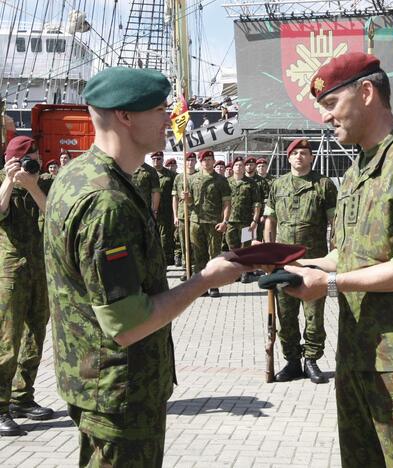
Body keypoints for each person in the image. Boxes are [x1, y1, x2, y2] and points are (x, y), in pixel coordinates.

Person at [43, 67, 249, 466]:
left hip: (96, 383)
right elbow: (128, 323)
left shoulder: (76, 176)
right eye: (160, 109)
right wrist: (206, 279)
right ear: (125, 116)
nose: (169, 119)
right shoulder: (107, 202)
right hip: (120, 392)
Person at [283, 52, 393, 466]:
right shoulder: (356, 171)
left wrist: (328, 284)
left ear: (365, 93)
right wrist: (303, 267)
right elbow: (355, 253)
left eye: (330, 104)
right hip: (357, 357)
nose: (325, 118)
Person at [264, 138, 337, 384]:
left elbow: (334, 223)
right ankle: (292, 361)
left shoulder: (324, 185)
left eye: (304, 153)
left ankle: (312, 360)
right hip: (284, 261)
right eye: (295, 153)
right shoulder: (278, 185)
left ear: (311, 157)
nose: (299, 157)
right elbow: (270, 220)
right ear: (288, 157)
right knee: (286, 314)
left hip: (314, 260)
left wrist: (334, 255)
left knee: (314, 313)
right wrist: (268, 252)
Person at [0, 136, 55, 436]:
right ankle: (0, 406)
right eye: (26, 157)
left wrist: (32, 184)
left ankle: (23, 397)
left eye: (35, 155)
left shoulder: (43, 182)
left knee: (35, 335)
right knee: (8, 340)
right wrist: (10, 180)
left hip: (40, 269)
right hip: (11, 272)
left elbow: (56, 217)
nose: (33, 161)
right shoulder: (1, 180)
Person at [189, 149, 231, 297]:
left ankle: (214, 285)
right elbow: (189, 203)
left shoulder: (221, 180)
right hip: (196, 221)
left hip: (214, 222)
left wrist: (225, 221)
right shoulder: (192, 179)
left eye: (209, 159)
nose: (207, 162)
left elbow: (227, 202)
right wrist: (185, 197)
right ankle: (201, 286)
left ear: (213, 161)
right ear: (200, 162)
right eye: (204, 160)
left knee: (214, 255)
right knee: (199, 255)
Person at [225, 156, 259, 250]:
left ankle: (245, 265)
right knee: (232, 247)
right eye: (236, 165)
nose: (239, 167)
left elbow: (256, 203)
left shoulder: (251, 183)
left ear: (244, 167)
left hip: (246, 221)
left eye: (241, 165)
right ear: (232, 167)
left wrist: (255, 220)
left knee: (246, 248)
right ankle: (234, 265)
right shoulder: (226, 182)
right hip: (230, 221)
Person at [173, 152, 197, 276]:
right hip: (182, 214)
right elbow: (175, 198)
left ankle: (194, 267)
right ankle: (186, 268)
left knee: (195, 242)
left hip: (196, 215)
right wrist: (175, 216)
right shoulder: (179, 177)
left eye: (192, 160)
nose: (190, 162)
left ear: (196, 162)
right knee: (184, 242)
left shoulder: (199, 176)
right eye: (188, 160)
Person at [151, 151, 176, 265]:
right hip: (150, 210)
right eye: (154, 158)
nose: (156, 161)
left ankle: (165, 260)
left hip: (166, 210)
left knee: (165, 237)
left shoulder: (171, 175)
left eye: (159, 158)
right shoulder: (148, 173)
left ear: (162, 159)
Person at [256, 157, 275, 241]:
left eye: (263, 166)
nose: (261, 168)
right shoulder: (252, 180)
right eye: (259, 166)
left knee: (269, 232)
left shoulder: (273, 180)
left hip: (269, 209)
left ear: (267, 167)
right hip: (255, 211)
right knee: (252, 235)